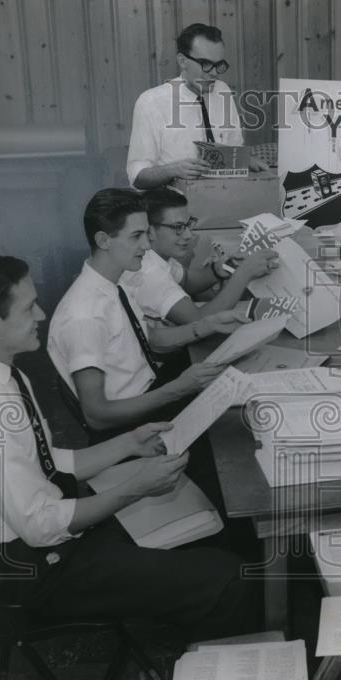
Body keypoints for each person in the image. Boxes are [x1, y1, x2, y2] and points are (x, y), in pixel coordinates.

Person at [0, 256, 258, 643]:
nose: (41, 314)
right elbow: (41, 527)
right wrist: (136, 486)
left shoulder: (3, 375)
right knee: (224, 579)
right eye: (28, 307)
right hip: (32, 572)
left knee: (217, 532)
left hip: (43, 536)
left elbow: (48, 461)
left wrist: (130, 442)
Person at [48, 189, 232, 437]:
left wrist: (206, 325)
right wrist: (179, 389)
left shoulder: (115, 282)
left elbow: (147, 338)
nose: (147, 245)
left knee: (232, 381)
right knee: (230, 430)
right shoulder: (84, 316)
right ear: (103, 240)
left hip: (154, 389)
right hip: (132, 425)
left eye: (146, 233)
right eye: (136, 236)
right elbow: (97, 416)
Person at [127, 23, 267, 189]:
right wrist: (172, 170)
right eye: (205, 63)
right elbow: (137, 177)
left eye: (219, 65)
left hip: (224, 197)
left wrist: (245, 160)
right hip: (175, 204)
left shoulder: (222, 91)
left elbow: (235, 148)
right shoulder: (150, 103)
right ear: (182, 61)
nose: (214, 73)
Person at [120, 186, 279, 329]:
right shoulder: (150, 273)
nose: (188, 235)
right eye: (178, 228)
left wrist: (218, 269)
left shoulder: (155, 256)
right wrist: (244, 273)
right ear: (150, 231)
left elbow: (188, 280)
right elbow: (198, 320)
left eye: (188, 224)